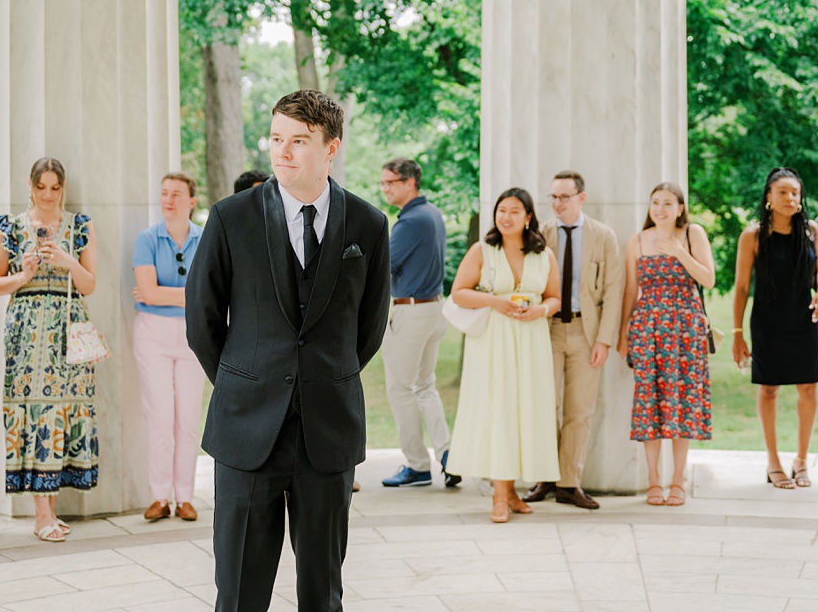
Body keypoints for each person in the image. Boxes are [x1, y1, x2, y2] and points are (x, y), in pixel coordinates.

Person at [186, 90, 393, 612]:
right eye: (277, 138)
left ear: (331, 148)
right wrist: (244, 379)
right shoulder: (231, 217)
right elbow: (202, 320)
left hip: (327, 431)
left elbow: (368, 327)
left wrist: (323, 377)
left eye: (299, 141)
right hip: (246, 427)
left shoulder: (368, 225)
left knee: (323, 592)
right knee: (238, 592)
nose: (283, 152)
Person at [0, 157, 101, 542]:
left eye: (55, 187)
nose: (48, 195)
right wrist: (24, 274)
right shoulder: (13, 227)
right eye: (41, 187)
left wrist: (67, 260)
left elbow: (89, 285)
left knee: (63, 411)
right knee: (34, 409)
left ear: (63, 188)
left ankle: (49, 509)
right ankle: (40, 514)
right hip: (27, 332)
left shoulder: (80, 226)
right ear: (31, 186)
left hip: (68, 331)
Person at [449, 188, 564, 522]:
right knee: (500, 410)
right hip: (493, 341)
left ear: (528, 217)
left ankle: (511, 491)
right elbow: (458, 294)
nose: (506, 217)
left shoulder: (544, 255)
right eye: (501, 210)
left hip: (531, 339)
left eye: (515, 211)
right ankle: (499, 496)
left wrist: (540, 310)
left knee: (524, 411)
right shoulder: (482, 250)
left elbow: (555, 297)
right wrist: (496, 302)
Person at [520, 171, 624, 510]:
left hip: (585, 332)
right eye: (552, 197)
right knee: (544, 406)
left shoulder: (603, 236)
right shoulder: (541, 235)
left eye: (564, 197)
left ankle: (568, 483)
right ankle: (545, 477)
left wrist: (604, 340)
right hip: (546, 330)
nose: (557, 203)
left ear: (581, 197)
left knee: (579, 411)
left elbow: (614, 291)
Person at [730, 167, 818, 490]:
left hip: (803, 320)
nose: (789, 197)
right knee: (769, 389)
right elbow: (742, 287)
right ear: (769, 197)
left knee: (808, 387)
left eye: (795, 192)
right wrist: (737, 334)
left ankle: (801, 459)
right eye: (782, 192)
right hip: (767, 322)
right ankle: (773, 461)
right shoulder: (753, 236)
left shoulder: (811, 230)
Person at [622, 182, 716, 505]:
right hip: (648, 329)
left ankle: (678, 479)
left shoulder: (693, 234)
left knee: (681, 403)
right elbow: (630, 293)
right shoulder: (636, 241)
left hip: (685, 328)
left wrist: (678, 252)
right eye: (655, 202)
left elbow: (708, 278)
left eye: (667, 203)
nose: (660, 209)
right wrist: (624, 334)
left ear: (679, 208)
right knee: (650, 403)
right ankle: (652, 481)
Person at [374, 158, 456, 488]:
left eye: (390, 182)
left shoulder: (410, 222)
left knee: (400, 388)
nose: (385, 189)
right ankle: (449, 454)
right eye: (383, 183)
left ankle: (418, 465)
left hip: (411, 312)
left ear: (410, 183)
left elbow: (382, 265)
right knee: (425, 386)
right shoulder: (432, 214)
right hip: (433, 308)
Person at [132, 172, 209, 522]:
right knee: (160, 415)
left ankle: (185, 497)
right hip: (153, 334)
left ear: (191, 201)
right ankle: (160, 497)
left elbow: (213, 295)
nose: (168, 200)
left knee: (188, 418)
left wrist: (165, 295)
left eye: (177, 194)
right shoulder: (146, 239)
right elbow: (147, 293)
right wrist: (190, 297)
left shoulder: (206, 239)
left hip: (195, 335)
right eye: (164, 193)